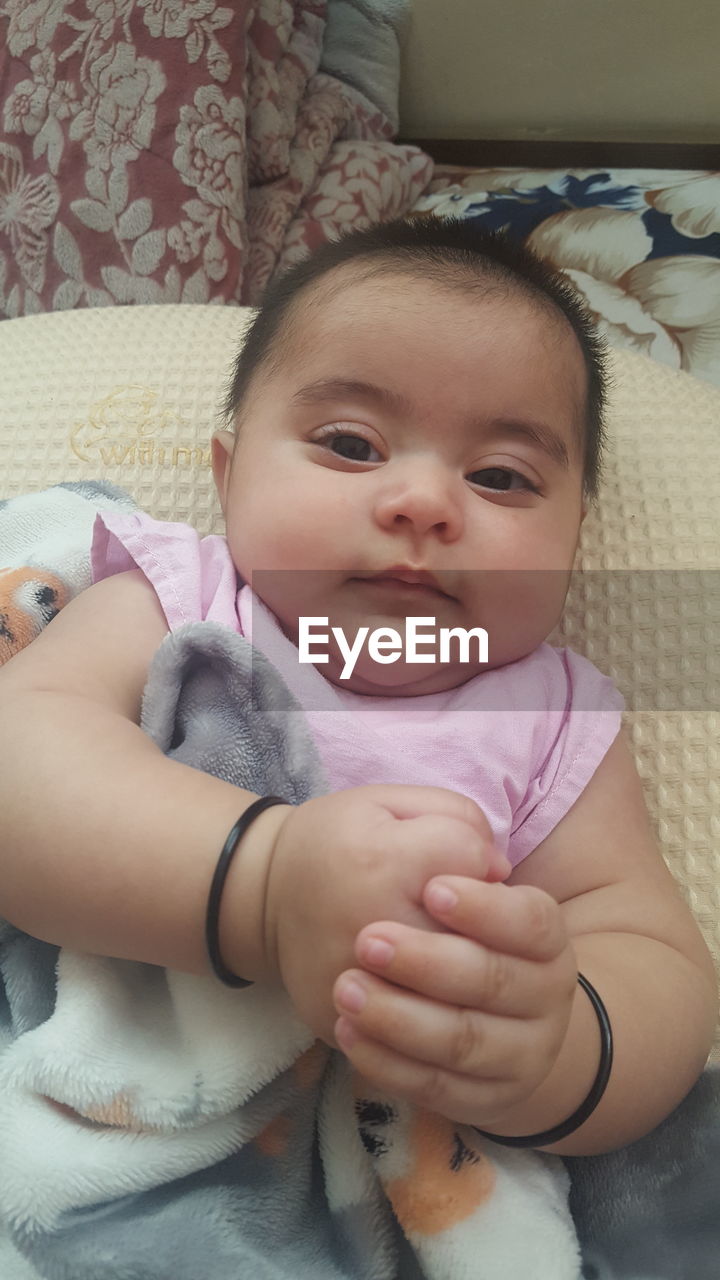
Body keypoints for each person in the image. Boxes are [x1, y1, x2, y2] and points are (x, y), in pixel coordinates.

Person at [0, 217, 716, 1165]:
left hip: (386, 1163)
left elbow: (654, 953)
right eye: (351, 445)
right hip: (94, 1111)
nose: (423, 502)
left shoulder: (556, 719)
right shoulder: (181, 599)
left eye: (501, 476)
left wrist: (557, 1051)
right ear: (230, 475)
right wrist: (267, 889)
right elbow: (25, 753)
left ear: (573, 544)